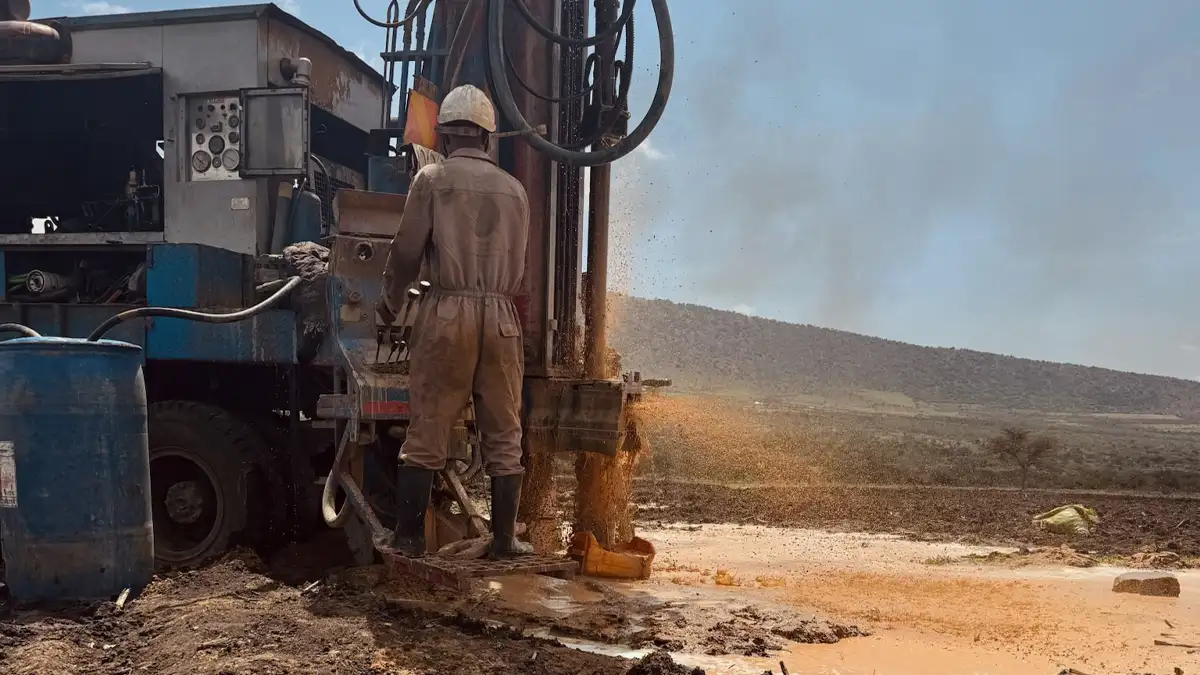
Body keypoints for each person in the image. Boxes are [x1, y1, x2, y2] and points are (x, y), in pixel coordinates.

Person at [377, 84, 533, 560]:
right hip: (502, 316)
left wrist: (389, 302)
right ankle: (504, 540)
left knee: (428, 429)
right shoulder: (517, 191)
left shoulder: (431, 180)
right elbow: (521, 267)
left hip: (447, 314)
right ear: (488, 139)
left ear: (445, 137)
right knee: (505, 434)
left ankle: (407, 539)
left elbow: (405, 252)